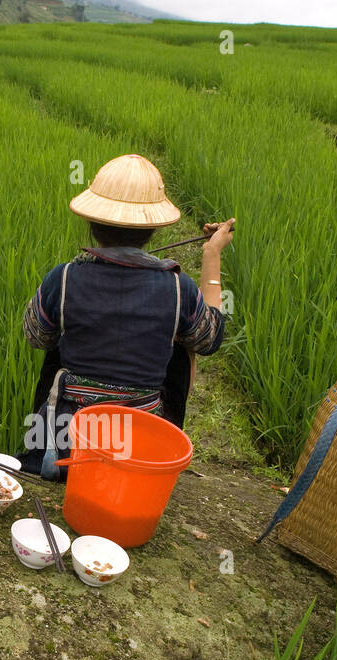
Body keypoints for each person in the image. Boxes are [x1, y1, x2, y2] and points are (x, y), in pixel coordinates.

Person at [19, 153, 233, 477]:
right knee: (180, 343)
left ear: (92, 223)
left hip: (67, 449)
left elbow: (35, 335)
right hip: (137, 452)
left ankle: (45, 455)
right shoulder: (178, 289)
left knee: (58, 344)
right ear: (153, 229)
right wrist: (211, 254)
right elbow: (210, 338)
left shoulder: (63, 278)